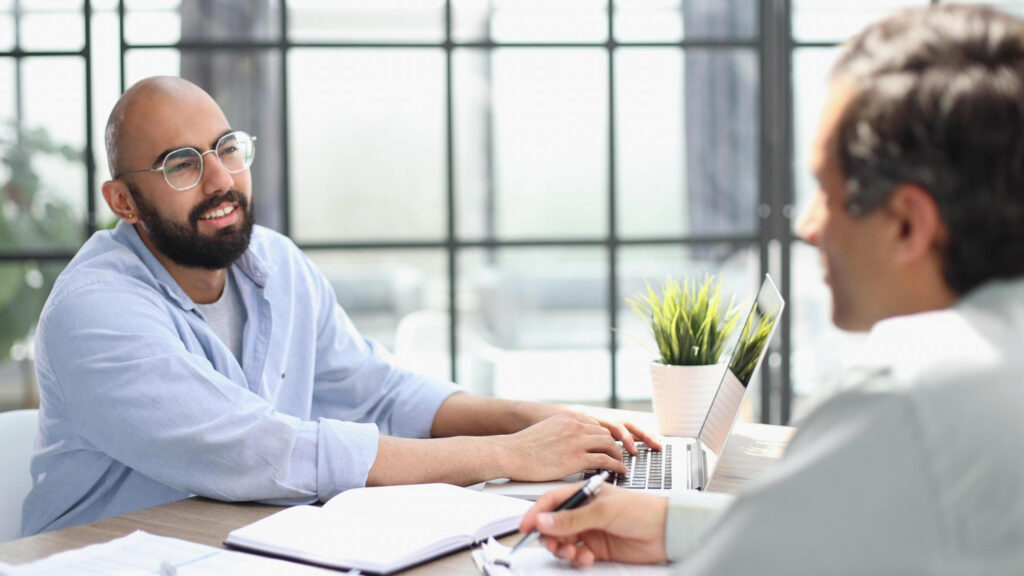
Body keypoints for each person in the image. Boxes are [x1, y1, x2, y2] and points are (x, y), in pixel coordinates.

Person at [21, 76, 658, 536]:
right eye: (181, 164)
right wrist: (507, 455)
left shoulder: (276, 265)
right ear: (123, 201)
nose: (220, 180)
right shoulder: (95, 311)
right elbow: (263, 452)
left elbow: (379, 395)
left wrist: (529, 418)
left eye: (226, 149)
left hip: (245, 550)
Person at [520, 5, 1024, 574]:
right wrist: (669, 524)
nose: (807, 226)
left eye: (825, 193)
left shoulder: (908, 401)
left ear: (908, 223)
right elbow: (851, 526)